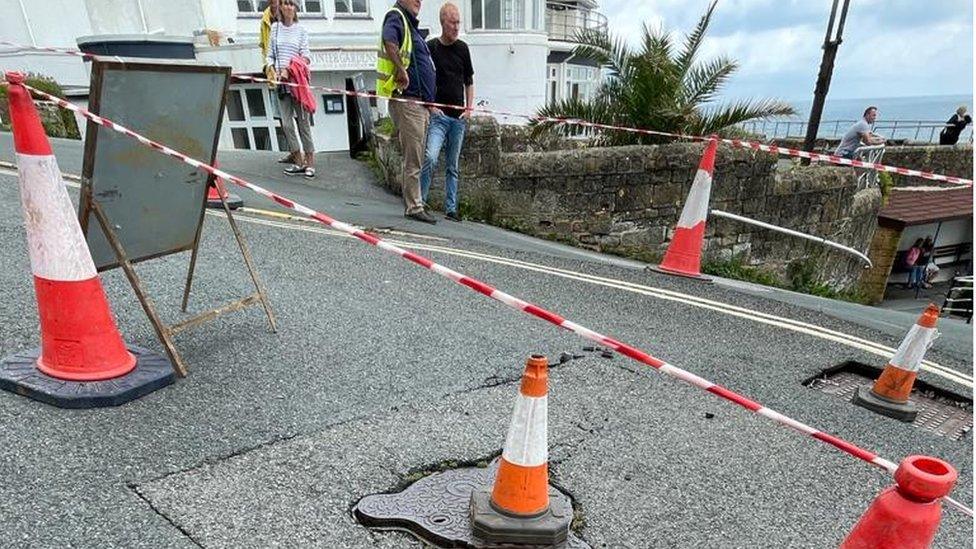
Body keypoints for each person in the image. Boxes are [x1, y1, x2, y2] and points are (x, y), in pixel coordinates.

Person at [378, 0, 438, 224]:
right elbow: (389, 40)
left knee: (417, 156)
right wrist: (401, 69)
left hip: (418, 103)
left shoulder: (409, 25)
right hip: (409, 101)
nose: (419, 1)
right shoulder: (396, 17)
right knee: (413, 158)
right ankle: (414, 206)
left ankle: (416, 201)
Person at [419, 3, 475, 223]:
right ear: (443, 22)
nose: (456, 27)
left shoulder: (463, 48)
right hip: (439, 117)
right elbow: (424, 77)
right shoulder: (431, 46)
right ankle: (420, 201)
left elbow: (469, 81)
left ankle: (450, 208)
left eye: (458, 22)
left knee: (453, 166)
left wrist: (469, 109)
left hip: (458, 117)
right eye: (453, 22)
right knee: (430, 157)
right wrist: (431, 106)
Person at [267, 0, 316, 178]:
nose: (288, 7)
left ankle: (310, 162)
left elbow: (306, 57)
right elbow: (270, 55)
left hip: (297, 83)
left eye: (291, 4)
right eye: (285, 3)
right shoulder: (275, 29)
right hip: (281, 83)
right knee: (286, 124)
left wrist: (290, 69)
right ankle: (298, 160)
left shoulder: (301, 30)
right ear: (280, 7)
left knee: (303, 123)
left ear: (296, 8)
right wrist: (272, 68)